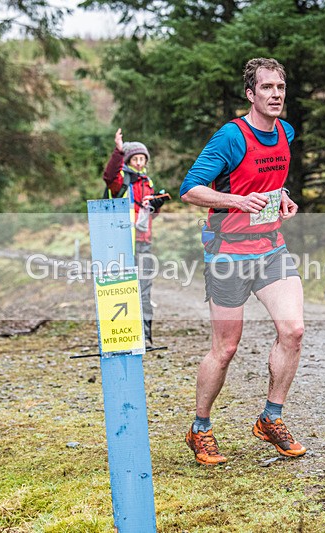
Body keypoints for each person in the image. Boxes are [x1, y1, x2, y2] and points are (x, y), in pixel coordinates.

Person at [179, 57, 305, 466]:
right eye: (267, 88)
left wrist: (281, 197)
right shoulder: (230, 137)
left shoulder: (285, 131)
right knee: (226, 347)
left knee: (294, 331)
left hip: (270, 247)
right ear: (250, 94)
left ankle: (271, 417)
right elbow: (190, 189)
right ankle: (200, 428)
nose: (276, 95)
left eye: (280, 88)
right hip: (229, 253)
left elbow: (270, 181)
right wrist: (236, 200)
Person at [102, 129, 166, 347]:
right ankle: (122, 335)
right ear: (129, 160)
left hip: (144, 242)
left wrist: (158, 206)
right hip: (121, 243)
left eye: (142, 159)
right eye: (135, 159)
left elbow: (151, 215)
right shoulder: (123, 181)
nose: (139, 163)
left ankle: (146, 336)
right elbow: (109, 177)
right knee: (121, 288)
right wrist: (119, 151)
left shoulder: (149, 183)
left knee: (145, 289)